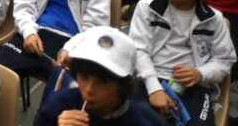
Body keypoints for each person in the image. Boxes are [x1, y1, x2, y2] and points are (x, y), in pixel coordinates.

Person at [129, 0, 236, 126]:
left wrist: (200, 74)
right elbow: (138, 50)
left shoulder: (214, 19)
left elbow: (224, 60)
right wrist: (154, 88)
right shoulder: (146, 7)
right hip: (148, 77)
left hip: (192, 86)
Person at [36, 26, 166, 126]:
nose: (89, 89)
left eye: (102, 82)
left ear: (123, 86)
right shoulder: (58, 105)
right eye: (84, 77)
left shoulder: (145, 120)